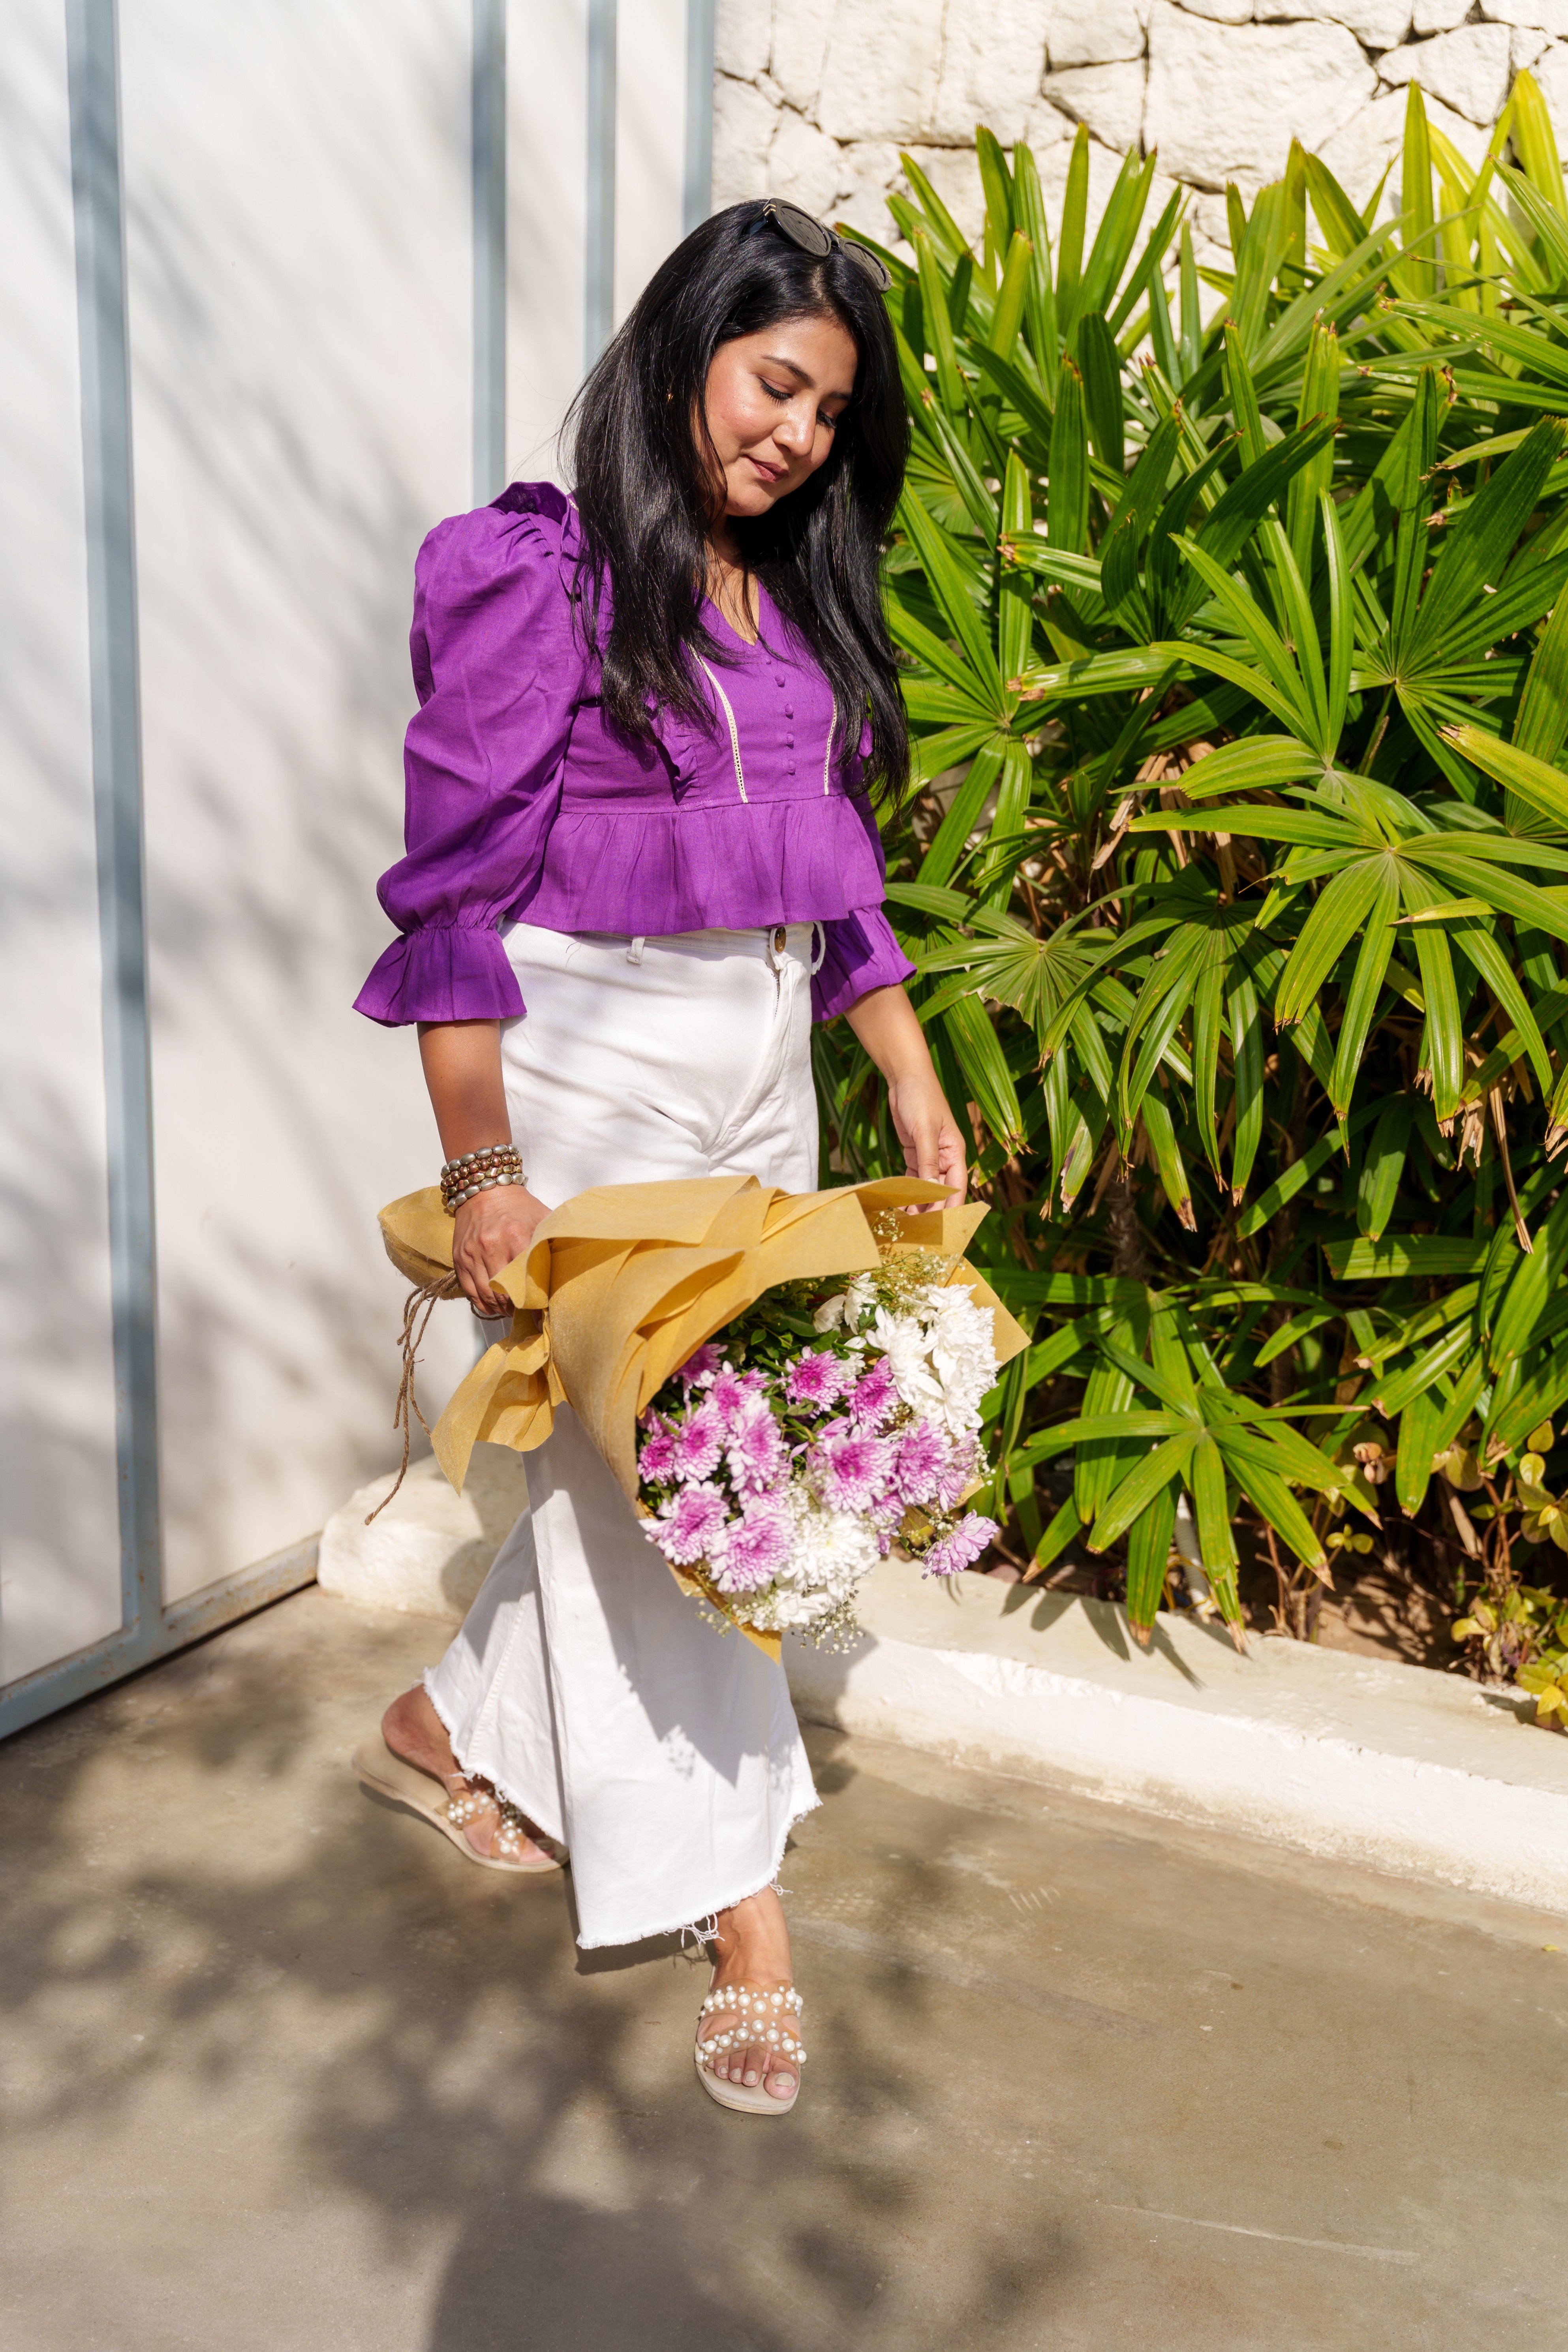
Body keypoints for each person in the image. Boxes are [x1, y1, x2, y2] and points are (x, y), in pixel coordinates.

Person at [351, 198, 966, 2116]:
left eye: (829, 414)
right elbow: (454, 890)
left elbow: (835, 865)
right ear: (687, 345)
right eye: (775, 382)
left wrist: (911, 1067)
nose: (795, 435)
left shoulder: (803, 597)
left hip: (762, 1055)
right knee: (680, 1476)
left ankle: (442, 1719)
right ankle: (745, 1903)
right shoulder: (537, 575)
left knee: (723, 1447)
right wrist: (480, 1172)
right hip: (592, 1046)